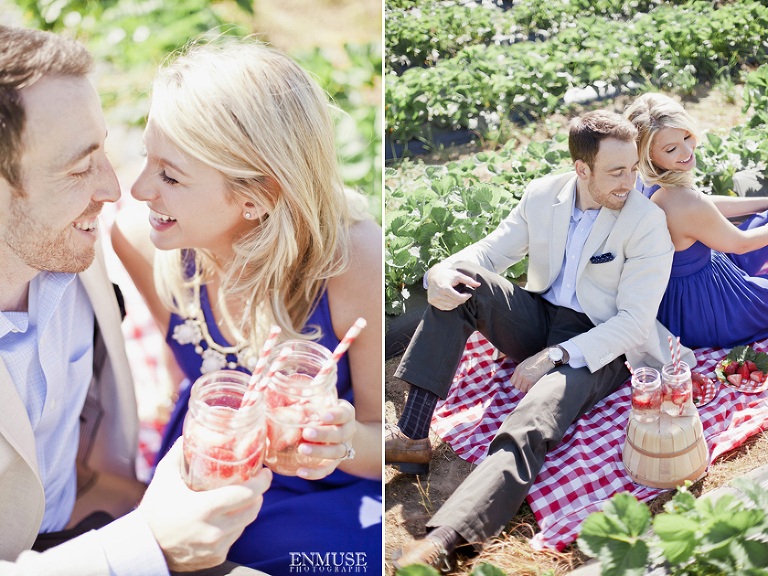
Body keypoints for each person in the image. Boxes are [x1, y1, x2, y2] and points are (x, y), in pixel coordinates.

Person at [0, 26, 273, 576]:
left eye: (104, 150)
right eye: (80, 168)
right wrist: (148, 547)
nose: (114, 189)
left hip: (101, 515)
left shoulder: (74, 241)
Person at [111, 40, 383, 575]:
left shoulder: (353, 262)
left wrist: (341, 441)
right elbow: (182, 374)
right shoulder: (141, 241)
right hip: (205, 474)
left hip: (325, 493)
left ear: (256, 197)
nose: (140, 189)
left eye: (170, 175)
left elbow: (382, 445)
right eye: (147, 157)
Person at [385, 110, 696, 570]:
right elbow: (490, 251)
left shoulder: (646, 221)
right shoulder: (543, 195)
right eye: (615, 172)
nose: (629, 182)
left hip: (599, 341)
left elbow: (632, 321)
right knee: (462, 280)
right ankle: (412, 434)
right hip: (538, 316)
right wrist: (439, 272)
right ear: (581, 168)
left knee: (534, 416)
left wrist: (553, 357)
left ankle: (447, 539)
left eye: (633, 168)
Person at [625, 92, 768, 349]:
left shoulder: (643, 178)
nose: (687, 150)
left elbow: (704, 204)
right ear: (647, 153)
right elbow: (742, 244)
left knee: (764, 217)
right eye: (671, 148)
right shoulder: (679, 201)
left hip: (683, 294)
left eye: (687, 136)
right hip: (707, 308)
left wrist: (764, 201)